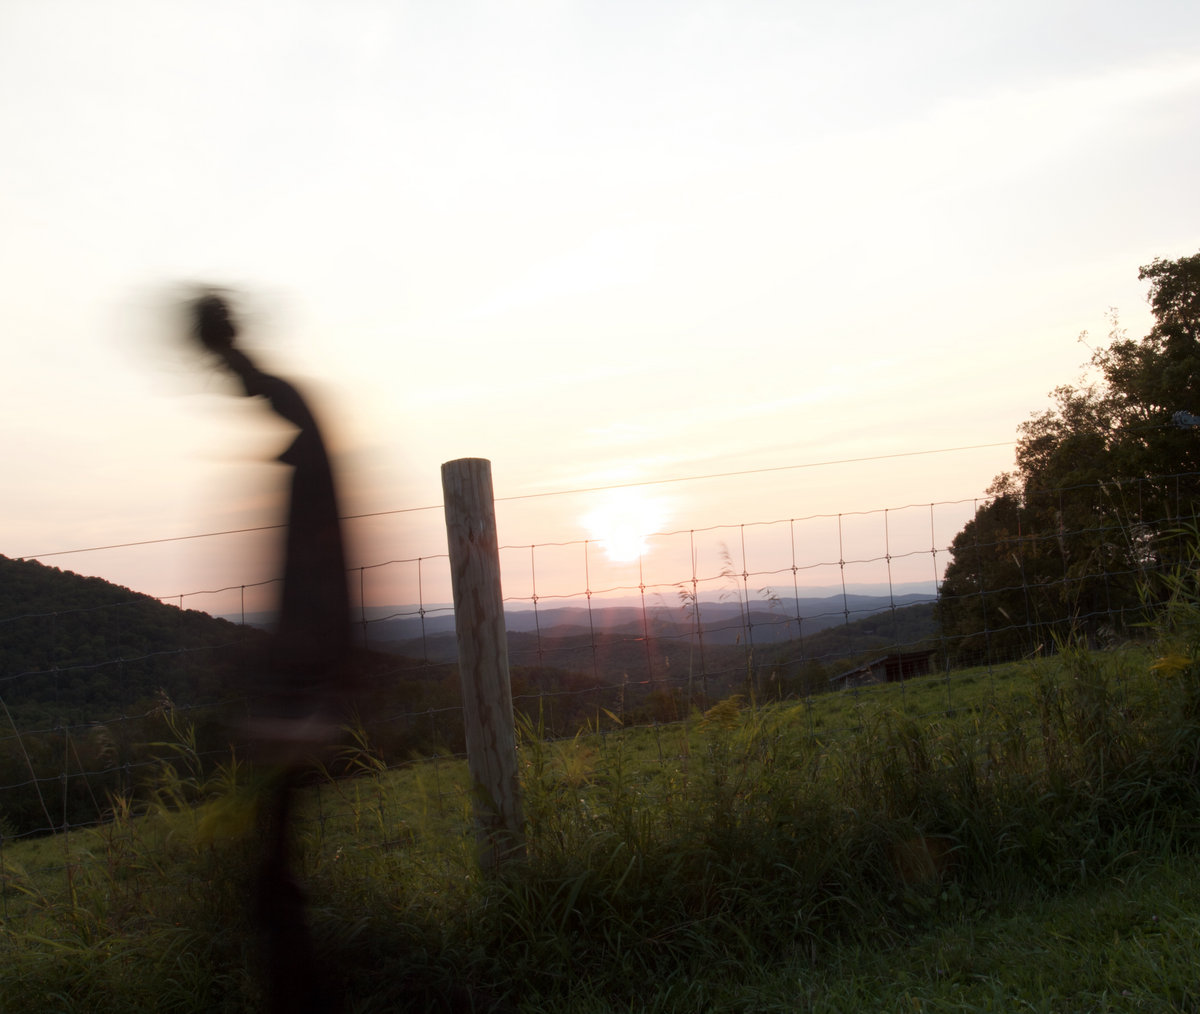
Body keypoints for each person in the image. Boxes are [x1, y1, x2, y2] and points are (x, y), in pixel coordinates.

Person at [190, 291, 350, 1013]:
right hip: (301, 675)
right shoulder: (305, 435)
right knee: (273, 872)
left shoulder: (304, 429)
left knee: (274, 877)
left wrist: (310, 690)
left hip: (307, 679)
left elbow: (322, 575)